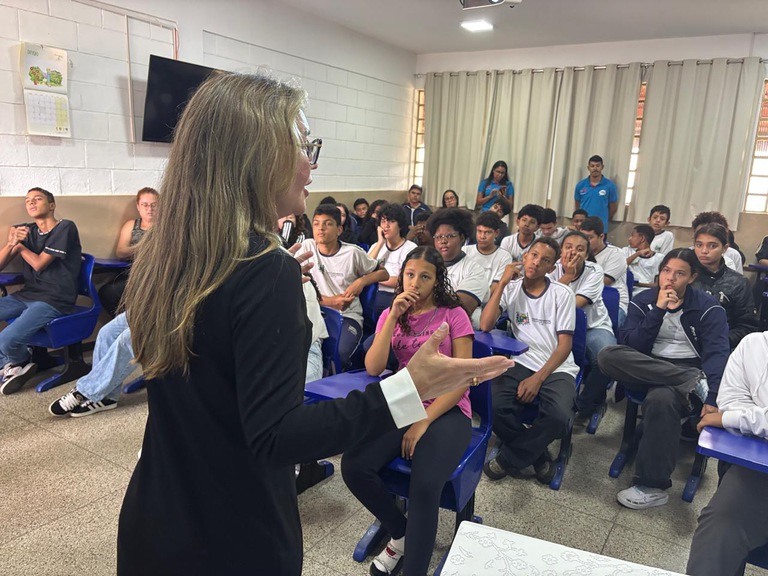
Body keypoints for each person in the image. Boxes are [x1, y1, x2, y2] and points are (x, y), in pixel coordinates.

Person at [114, 72, 513, 576]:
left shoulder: (169, 255)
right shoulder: (263, 270)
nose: (312, 163)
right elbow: (277, 437)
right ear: (261, 157)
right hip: (230, 531)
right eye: (304, 145)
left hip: (159, 510)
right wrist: (411, 387)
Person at [342, 246, 473, 576]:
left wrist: (423, 422)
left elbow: (464, 377)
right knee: (355, 466)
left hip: (448, 407)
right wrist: (392, 319)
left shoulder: (452, 314)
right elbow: (373, 367)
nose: (416, 282)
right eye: (410, 275)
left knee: (425, 485)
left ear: (436, 280)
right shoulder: (393, 313)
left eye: (425, 276)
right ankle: (401, 532)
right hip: (405, 401)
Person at [598, 249, 729, 510]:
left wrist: (713, 396)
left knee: (662, 398)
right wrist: (657, 310)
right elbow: (632, 346)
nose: (670, 279)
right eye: (666, 271)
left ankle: (652, 486)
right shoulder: (644, 300)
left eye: (680, 273)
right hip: (645, 366)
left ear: (692, 277)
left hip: (686, 367)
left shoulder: (708, 308)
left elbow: (717, 354)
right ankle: (691, 380)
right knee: (607, 354)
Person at [480, 237, 578, 485]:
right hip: (522, 360)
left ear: (552, 267)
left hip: (558, 366)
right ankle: (538, 454)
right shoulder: (510, 289)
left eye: (545, 260)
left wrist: (538, 378)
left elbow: (564, 345)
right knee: (492, 404)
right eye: (533, 255)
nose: (536, 262)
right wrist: (501, 284)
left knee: (558, 417)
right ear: (524, 257)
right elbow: (485, 324)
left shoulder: (561, 293)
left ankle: (510, 458)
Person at [686, 331, 768, 576]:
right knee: (719, 526)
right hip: (760, 470)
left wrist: (739, 418)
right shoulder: (754, 345)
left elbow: (730, 415)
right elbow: (730, 402)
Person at [0, 187, 82, 395]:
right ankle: (13, 364)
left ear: (52, 205)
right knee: (7, 340)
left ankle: (18, 361)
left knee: (6, 339)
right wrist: (10, 243)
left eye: (37, 199)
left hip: (55, 298)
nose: (32, 203)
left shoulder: (65, 227)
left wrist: (19, 247)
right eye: (28, 200)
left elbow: (39, 264)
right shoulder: (25, 230)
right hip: (27, 295)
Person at [300, 204, 388, 368]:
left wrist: (361, 281)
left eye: (327, 224)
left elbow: (384, 273)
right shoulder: (307, 247)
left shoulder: (352, 253)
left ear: (339, 230)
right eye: (316, 223)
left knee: (340, 354)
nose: (321, 229)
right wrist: (328, 301)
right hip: (316, 312)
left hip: (347, 316)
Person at [548, 231, 617, 425]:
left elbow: (574, 304)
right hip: (556, 327)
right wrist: (567, 276)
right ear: (561, 250)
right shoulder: (550, 269)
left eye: (580, 250)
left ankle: (583, 406)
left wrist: (569, 276)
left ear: (587, 255)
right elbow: (545, 302)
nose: (573, 253)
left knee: (607, 358)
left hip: (592, 327)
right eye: (568, 247)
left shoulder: (594, 271)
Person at [692, 223, 758, 350]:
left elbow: (747, 326)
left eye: (712, 246)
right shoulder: (686, 277)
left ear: (724, 248)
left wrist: (717, 341)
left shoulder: (738, 282)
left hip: (720, 347)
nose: (704, 251)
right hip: (681, 345)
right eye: (699, 245)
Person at [98, 188, 159, 317]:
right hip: (130, 273)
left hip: (155, 275)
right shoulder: (131, 225)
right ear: (138, 206)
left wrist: (134, 249)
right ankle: (129, 325)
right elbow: (121, 252)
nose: (150, 209)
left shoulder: (165, 227)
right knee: (107, 292)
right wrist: (146, 245)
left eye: (154, 205)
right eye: (145, 205)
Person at [427, 208, 489, 329]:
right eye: (438, 237)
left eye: (449, 236)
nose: (443, 241)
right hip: (428, 327)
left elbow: (459, 309)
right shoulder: (429, 266)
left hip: (460, 332)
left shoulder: (474, 271)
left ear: (462, 237)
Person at [368, 203, 417, 317]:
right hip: (374, 294)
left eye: (391, 221)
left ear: (400, 225)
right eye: (383, 221)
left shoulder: (410, 248)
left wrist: (373, 277)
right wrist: (380, 243)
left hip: (396, 296)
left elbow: (403, 280)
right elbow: (364, 270)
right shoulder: (376, 246)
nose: (386, 226)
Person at [581, 216, 629, 326]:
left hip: (613, 302)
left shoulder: (616, 254)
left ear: (601, 236)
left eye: (589, 238)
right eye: (582, 237)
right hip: (585, 301)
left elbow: (601, 283)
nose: (585, 242)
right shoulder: (579, 253)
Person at [462, 211, 513, 297]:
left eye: (487, 232)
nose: (482, 236)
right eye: (479, 231)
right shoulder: (465, 251)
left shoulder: (504, 257)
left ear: (496, 233)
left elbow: (496, 286)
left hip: (487, 301)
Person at [573, 154, 618, 233]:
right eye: (592, 166)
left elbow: (613, 208)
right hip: (584, 227)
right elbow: (577, 206)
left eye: (598, 166)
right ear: (588, 168)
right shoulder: (580, 185)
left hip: (601, 228)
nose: (595, 168)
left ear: (602, 167)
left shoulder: (610, 185)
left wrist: (604, 218)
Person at [621, 224, 663, 297]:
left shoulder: (659, 258)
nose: (629, 238)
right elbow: (621, 266)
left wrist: (636, 284)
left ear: (642, 238)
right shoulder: (626, 251)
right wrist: (638, 253)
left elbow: (657, 284)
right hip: (626, 290)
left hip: (646, 292)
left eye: (633, 235)